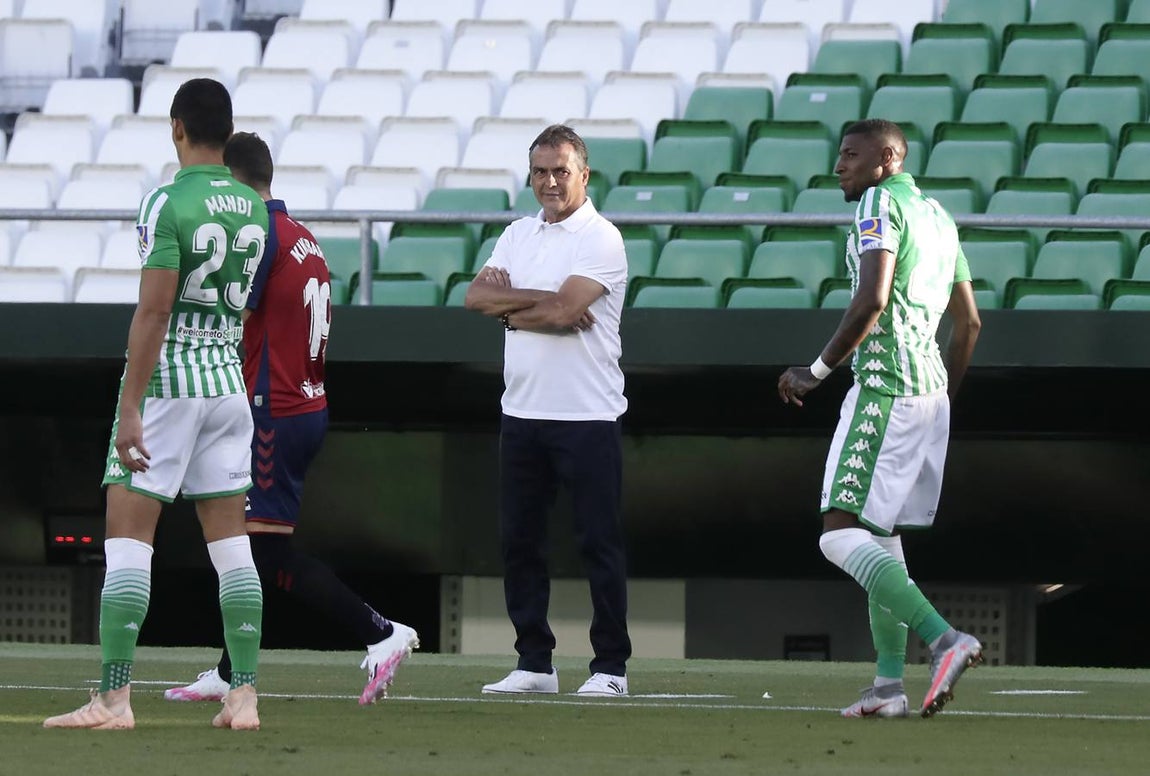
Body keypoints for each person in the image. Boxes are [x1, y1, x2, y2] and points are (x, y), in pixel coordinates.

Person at [162, 132, 419, 707]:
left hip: (272, 410)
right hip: (303, 402)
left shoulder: (259, 238)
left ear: (230, 182)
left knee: (264, 555)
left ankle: (381, 631)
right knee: (242, 543)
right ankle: (230, 671)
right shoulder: (304, 238)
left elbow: (229, 313)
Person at [44, 78, 269, 731]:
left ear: (177, 129)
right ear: (226, 132)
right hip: (228, 383)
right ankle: (244, 695)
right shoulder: (254, 209)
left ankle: (114, 700)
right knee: (232, 548)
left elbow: (155, 308)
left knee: (128, 542)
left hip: (172, 384)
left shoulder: (166, 201)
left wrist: (130, 407)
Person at [777, 119, 983, 719]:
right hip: (930, 393)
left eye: (851, 154)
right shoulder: (941, 217)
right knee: (882, 539)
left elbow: (871, 298)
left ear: (887, 159)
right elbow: (969, 324)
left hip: (885, 388)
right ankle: (889, 687)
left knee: (839, 533)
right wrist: (942, 392)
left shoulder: (877, 202)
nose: (839, 165)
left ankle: (947, 639)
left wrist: (813, 372)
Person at [464, 124, 632, 697]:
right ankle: (534, 662)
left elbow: (566, 313)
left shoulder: (602, 238)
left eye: (562, 170)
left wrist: (516, 308)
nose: (550, 181)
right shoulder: (517, 234)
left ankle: (611, 667)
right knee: (520, 542)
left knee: (598, 544)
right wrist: (540, 304)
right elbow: (475, 297)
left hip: (588, 415)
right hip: (523, 413)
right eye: (540, 171)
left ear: (584, 174)